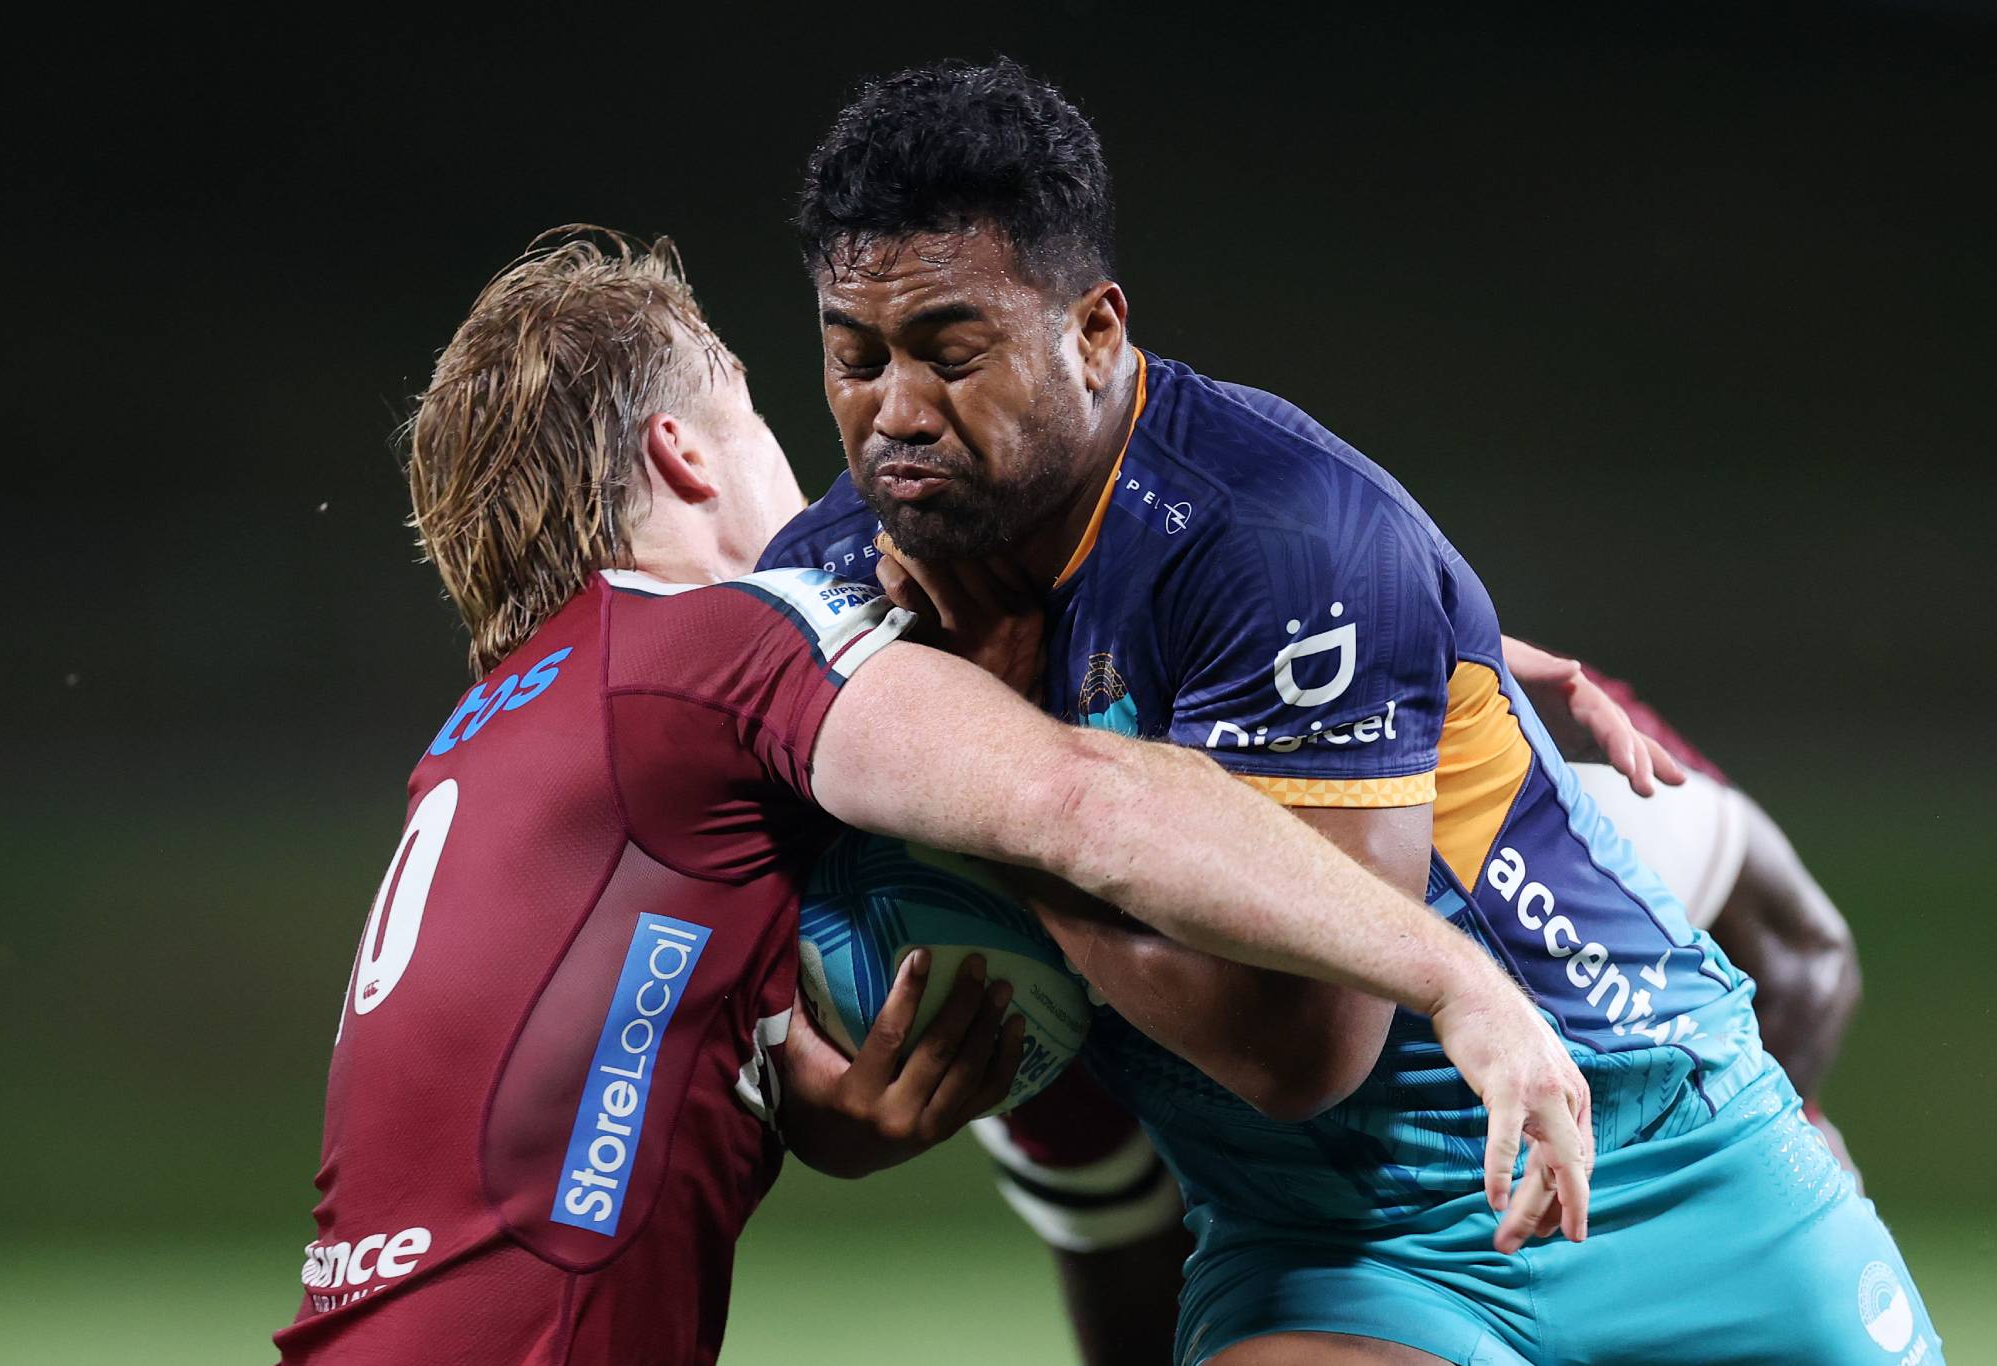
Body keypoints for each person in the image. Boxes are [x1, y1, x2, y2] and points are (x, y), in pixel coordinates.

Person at [760, 59, 1938, 1365]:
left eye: (951, 352)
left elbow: (1300, 1047)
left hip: (1660, 1163)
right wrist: (800, 1101)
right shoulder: (828, 584)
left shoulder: (1277, 536)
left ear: (1095, 333)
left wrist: (993, 777)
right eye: (852, 357)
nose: (895, 413)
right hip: (1338, 1251)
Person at [272, 230, 1589, 1366]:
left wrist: (792, 1096)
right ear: (683, 456)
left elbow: (581, 1042)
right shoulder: (717, 649)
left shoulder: (497, 734)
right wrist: (1452, 977)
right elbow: (1084, 800)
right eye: (764, 423)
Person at [963, 643, 1868, 1366]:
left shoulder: (1532, 808)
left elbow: (1802, 951)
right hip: (1318, 1250)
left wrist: (1704, 1171)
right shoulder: (1023, 1015)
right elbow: (1127, 1278)